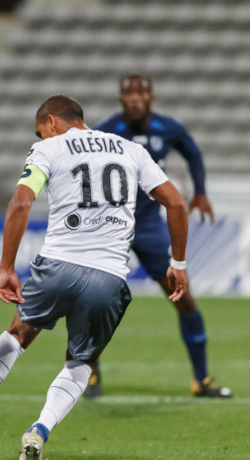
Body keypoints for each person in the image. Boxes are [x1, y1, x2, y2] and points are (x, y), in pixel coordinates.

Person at [0, 95, 189, 460]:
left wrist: (6, 267)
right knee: (81, 361)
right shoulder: (131, 150)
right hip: (109, 276)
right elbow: (177, 203)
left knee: (18, 334)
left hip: (58, 266)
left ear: (50, 122)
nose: (40, 134)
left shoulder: (48, 147)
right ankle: (40, 429)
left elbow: (20, 203)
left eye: (40, 129)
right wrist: (177, 264)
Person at [91, 74, 230, 398]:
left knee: (183, 297)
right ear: (121, 98)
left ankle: (201, 379)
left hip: (151, 226)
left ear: (151, 97)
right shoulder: (105, 130)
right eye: (129, 94)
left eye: (141, 93)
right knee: (92, 299)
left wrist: (201, 192)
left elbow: (193, 153)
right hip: (112, 224)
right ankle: (89, 372)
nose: (135, 99)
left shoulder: (169, 129)